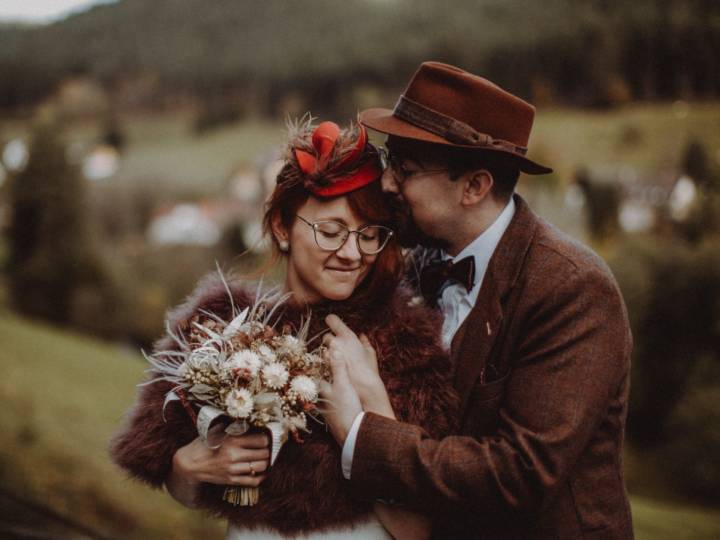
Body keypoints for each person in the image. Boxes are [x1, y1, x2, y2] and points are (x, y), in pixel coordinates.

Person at [321, 62, 634, 539]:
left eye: (405, 170)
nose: (386, 184)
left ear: (474, 186)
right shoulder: (412, 260)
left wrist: (360, 435)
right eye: (391, 162)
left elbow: (520, 475)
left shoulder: (573, 289)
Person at [110, 118, 459, 539]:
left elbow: (418, 530)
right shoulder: (217, 324)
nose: (352, 253)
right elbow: (175, 480)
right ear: (281, 227)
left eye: (370, 236)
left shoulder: (406, 346)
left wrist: (370, 408)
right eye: (331, 231)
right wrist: (189, 466)